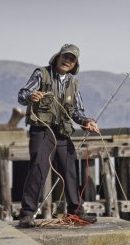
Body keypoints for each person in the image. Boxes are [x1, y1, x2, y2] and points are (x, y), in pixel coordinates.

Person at [17, 44, 99, 228]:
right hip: (42, 130)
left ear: (75, 64)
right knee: (38, 170)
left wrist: (86, 122)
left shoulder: (74, 83)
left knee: (70, 169)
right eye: (65, 57)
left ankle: (75, 213)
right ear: (57, 57)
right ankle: (27, 215)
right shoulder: (41, 73)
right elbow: (21, 94)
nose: (67, 61)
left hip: (62, 133)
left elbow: (77, 112)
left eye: (72, 59)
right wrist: (31, 96)